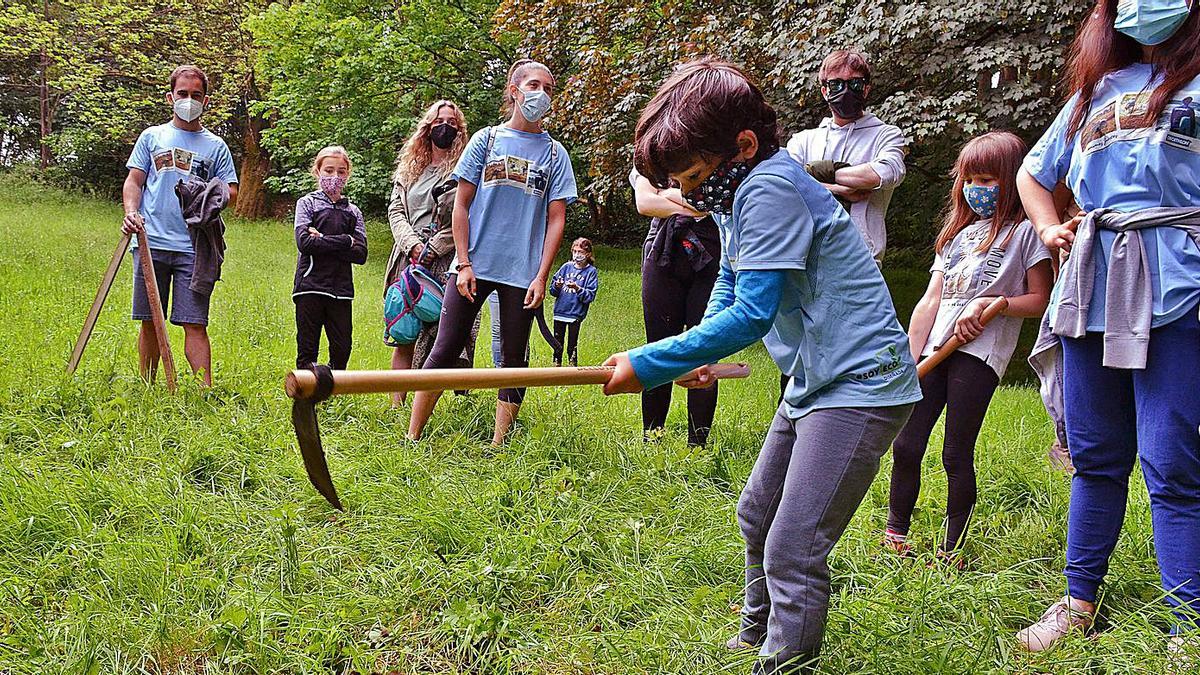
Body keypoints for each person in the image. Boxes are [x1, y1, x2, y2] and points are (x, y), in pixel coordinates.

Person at [603, 58, 921, 674]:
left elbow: (753, 313)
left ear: (742, 145)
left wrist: (651, 362)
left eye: (693, 176)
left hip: (861, 383)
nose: (686, 194)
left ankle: (784, 662)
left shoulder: (770, 186)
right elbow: (730, 279)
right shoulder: (737, 191)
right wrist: (696, 350)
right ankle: (757, 633)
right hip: (815, 376)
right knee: (757, 511)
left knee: (795, 544)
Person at [1015, 0, 1200, 656]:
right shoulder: (1093, 93)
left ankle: (1190, 627)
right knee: (1095, 456)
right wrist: (1046, 225)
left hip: (1183, 287)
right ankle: (1077, 602)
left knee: (1174, 461)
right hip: (1091, 285)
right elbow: (1033, 174)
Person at [885, 131, 1052, 566]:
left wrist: (996, 304)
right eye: (970, 179)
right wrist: (909, 352)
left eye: (987, 179)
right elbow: (930, 300)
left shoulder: (1026, 233)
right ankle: (894, 533)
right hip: (934, 349)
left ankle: (951, 548)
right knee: (906, 444)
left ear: (1011, 180)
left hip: (980, 355)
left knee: (955, 452)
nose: (977, 188)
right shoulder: (955, 236)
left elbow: (1040, 301)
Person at [408, 58, 578, 446]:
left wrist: (541, 275)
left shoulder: (555, 154)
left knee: (515, 357)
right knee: (445, 347)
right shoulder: (486, 139)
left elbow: (556, 219)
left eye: (549, 89)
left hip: (522, 274)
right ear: (514, 91)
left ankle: (499, 445)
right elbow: (461, 205)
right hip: (473, 266)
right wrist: (463, 262)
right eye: (535, 85)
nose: (543, 95)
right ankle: (413, 436)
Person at [121, 64, 238, 386]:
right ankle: (147, 385)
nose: (189, 100)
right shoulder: (152, 137)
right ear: (170, 97)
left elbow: (231, 190)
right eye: (183, 94)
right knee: (150, 321)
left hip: (194, 247)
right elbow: (134, 181)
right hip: (150, 241)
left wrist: (209, 196)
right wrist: (131, 211)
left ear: (206, 101)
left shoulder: (215, 146)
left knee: (195, 323)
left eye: (196, 95)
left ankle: (205, 390)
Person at [384, 99, 478, 405]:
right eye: (440, 121)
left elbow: (468, 213)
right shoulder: (409, 167)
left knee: (441, 337)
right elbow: (396, 210)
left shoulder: (465, 167)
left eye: (452, 123)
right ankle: (397, 404)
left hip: (446, 260)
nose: (445, 127)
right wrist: (411, 244)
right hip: (407, 260)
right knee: (405, 331)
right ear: (427, 127)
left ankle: (431, 406)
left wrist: (434, 247)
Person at [785, 49, 907, 265]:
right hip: (806, 258)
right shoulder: (803, 140)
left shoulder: (886, 135)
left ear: (866, 89)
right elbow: (786, 186)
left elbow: (886, 173)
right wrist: (840, 189)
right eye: (836, 84)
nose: (846, 91)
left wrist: (818, 173)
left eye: (855, 84)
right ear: (824, 91)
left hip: (862, 261)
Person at [631, 168, 724, 447]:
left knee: (704, 352)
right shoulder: (649, 155)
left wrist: (669, 196)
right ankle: (652, 441)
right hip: (662, 253)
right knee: (658, 348)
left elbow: (717, 205)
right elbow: (645, 203)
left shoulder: (714, 150)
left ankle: (697, 447)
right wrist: (696, 204)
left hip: (711, 253)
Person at [292, 146, 368, 369]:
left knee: (342, 348)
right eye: (329, 170)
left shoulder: (353, 211)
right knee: (307, 349)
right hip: (310, 286)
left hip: (341, 290)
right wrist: (346, 240)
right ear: (317, 171)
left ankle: (333, 395)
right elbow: (305, 243)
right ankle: (307, 398)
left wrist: (322, 239)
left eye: (341, 171)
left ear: (348, 174)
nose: (335, 176)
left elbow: (361, 253)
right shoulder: (307, 204)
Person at [549, 237, 600, 366]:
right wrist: (558, 286)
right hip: (560, 312)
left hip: (575, 315)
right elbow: (552, 290)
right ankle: (556, 366)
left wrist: (577, 288)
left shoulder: (591, 272)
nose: (577, 255)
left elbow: (589, 296)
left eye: (581, 252)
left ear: (588, 254)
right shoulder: (566, 267)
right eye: (575, 251)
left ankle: (572, 367)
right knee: (557, 341)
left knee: (572, 343)